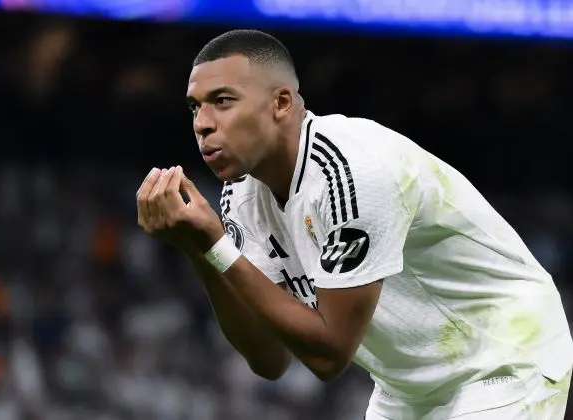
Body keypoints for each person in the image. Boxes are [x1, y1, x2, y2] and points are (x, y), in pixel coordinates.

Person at [136, 29, 573, 419]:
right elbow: (269, 359)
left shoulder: (351, 172)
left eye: (222, 101)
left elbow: (329, 356)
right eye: (195, 107)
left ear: (281, 103)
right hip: (407, 389)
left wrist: (215, 243)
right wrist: (201, 249)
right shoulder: (242, 196)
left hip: (502, 360)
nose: (202, 124)